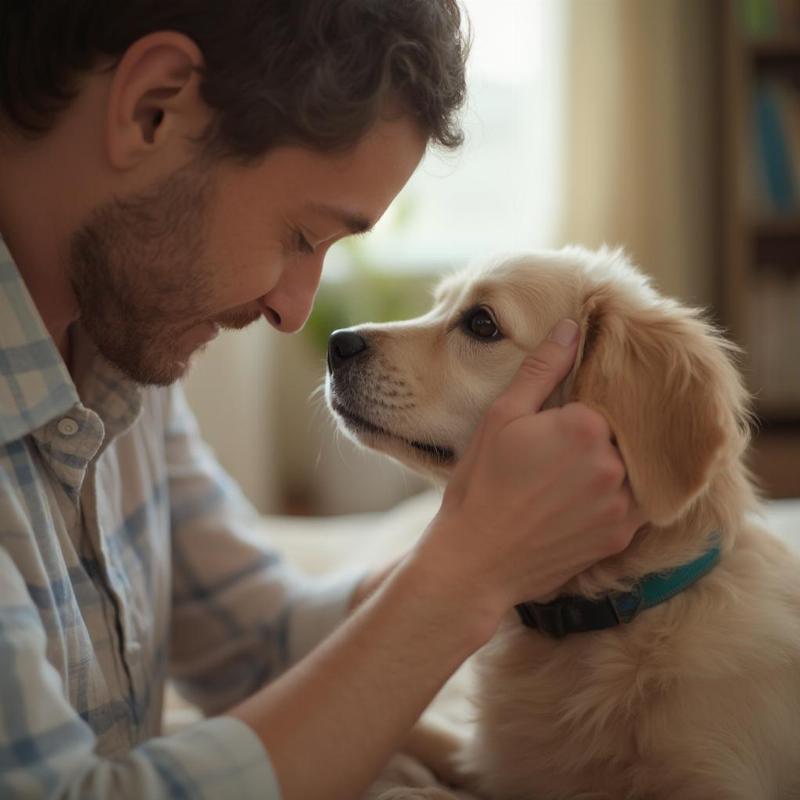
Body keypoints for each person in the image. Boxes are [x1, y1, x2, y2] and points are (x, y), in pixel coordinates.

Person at [0, 2, 644, 798]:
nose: (294, 312)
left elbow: (259, 636)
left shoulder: (115, 349)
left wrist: (497, 537)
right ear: (152, 108)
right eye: (301, 237)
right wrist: (462, 580)